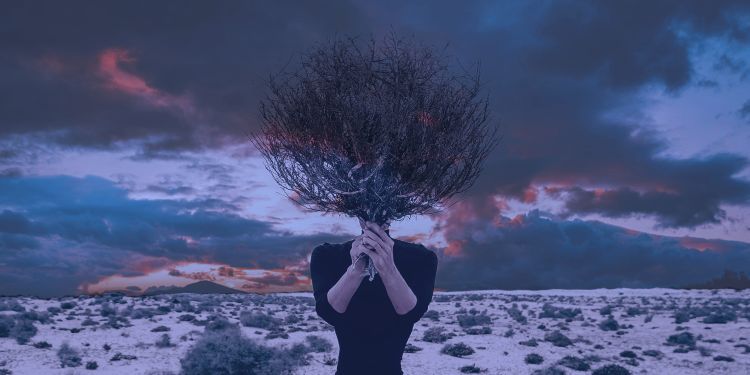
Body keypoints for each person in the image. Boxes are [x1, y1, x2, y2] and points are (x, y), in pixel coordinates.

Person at [310, 218, 439, 375]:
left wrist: (388, 268)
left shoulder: (421, 258)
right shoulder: (328, 255)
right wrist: (356, 269)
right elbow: (328, 312)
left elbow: (412, 312)